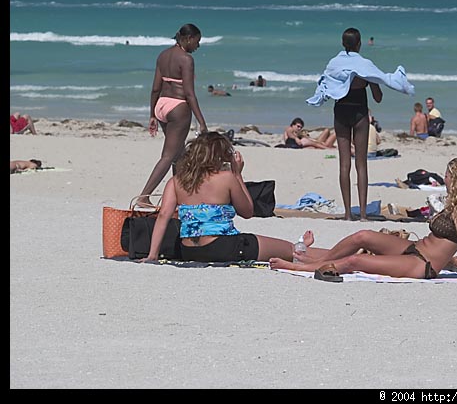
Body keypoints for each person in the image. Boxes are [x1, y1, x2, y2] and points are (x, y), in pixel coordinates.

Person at [270, 156, 457, 282]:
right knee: (363, 236)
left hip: (422, 265)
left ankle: (298, 266)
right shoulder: (455, 201)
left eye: (448, 175)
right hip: (415, 248)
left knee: (356, 261)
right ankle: (313, 258)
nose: (445, 178)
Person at [140, 131, 327, 263]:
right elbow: (247, 212)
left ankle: (311, 249)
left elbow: (163, 216)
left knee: (284, 248)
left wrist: (152, 255)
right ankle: (329, 254)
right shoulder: (226, 178)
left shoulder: (176, 181)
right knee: (290, 250)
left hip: (189, 250)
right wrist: (237, 174)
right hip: (223, 246)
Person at [306, 27, 414, 221]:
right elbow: (378, 98)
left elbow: (327, 87)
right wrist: (372, 80)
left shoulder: (334, 64)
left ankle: (348, 214)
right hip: (359, 113)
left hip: (341, 112)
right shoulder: (365, 66)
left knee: (344, 163)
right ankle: (363, 214)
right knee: (361, 164)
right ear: (359, 44)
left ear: (342, 44)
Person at [136, 23, 208, 209]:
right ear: (188, 39)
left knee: (179, 154)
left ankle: (179, 197)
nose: (198, 46)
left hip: (161, 105)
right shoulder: (186, 59)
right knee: (168, 156)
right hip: (178, 107)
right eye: (197, 41)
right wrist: (201, 122)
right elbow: (189, 94)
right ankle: (144, 196)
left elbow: (155, 88)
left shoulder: (163, 55)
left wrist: (152, 114)